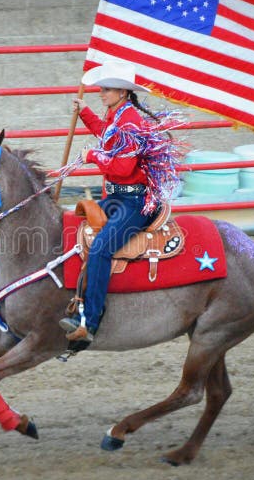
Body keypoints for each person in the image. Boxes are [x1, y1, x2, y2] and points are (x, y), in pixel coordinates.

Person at [60, 61, 172, 343]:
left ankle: (91, 322)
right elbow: (106, 136)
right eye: (101, 89)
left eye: (106, 90)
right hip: (117, 196)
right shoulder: (117, 115)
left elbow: (122, 168)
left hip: (134, 203)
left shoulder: (131, 121)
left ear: (122, 93)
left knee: (100, 248)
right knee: (79, 230)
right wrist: (84, 112)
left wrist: (92, 157)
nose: (101, 93)